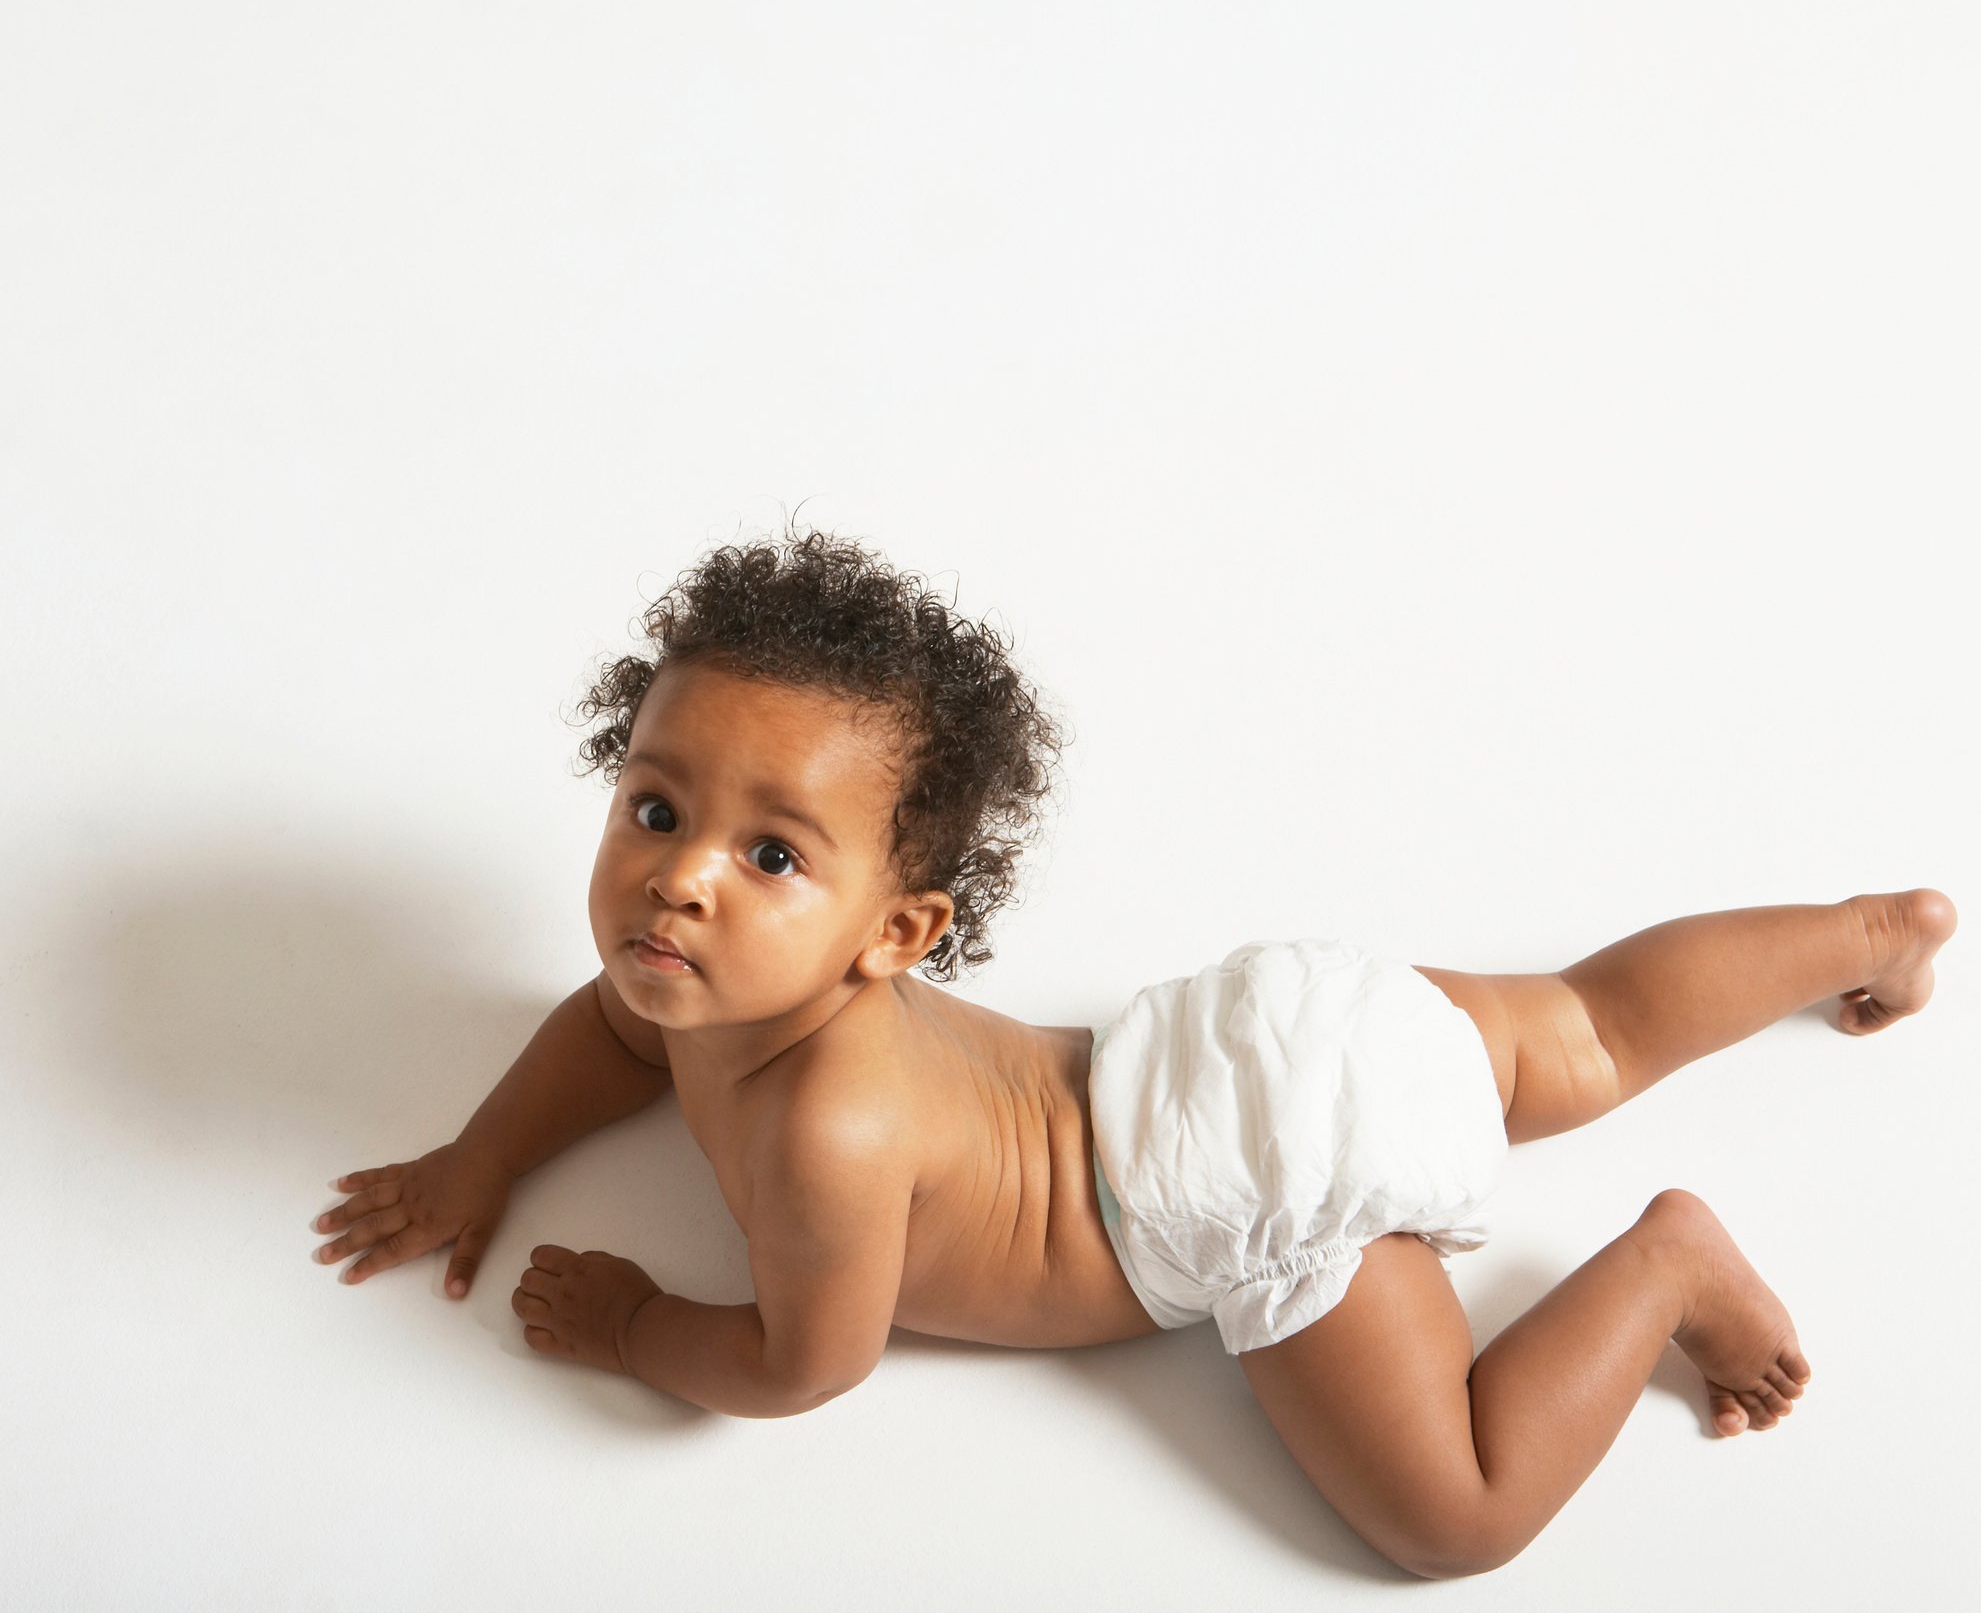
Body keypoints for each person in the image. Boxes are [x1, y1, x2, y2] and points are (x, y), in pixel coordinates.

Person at [314, 522, 1956, 1579]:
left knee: (1447, 1517)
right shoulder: (692, 978)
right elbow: (601, 1034)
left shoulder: (828, 1125)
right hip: (1255, 1028)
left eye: (769, 855)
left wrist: (633, 1321)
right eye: (656, 810)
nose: (675, 876)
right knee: (1584, 1027)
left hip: (1238, 1196)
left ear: (897, 936)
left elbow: (803, 1362)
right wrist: (482, 1155)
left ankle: (1667, 1267)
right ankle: (1862, 932)